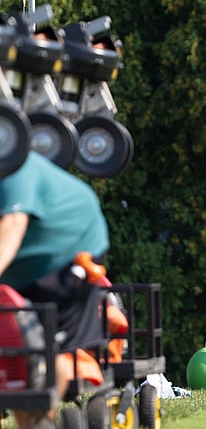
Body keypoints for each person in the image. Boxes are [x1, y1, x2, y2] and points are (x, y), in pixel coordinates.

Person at [0, 151, 110, 429]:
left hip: (71, 251)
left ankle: (43, 421)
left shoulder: (14, 166)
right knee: (15, 360)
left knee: (52, 352)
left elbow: (12, 227)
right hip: (22, 269)